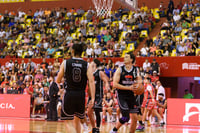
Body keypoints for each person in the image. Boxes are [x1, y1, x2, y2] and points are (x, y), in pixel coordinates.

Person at [56, 43, 95, 133]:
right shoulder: (87, 64)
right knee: (77, 120)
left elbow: (58, 79)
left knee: (68, 122)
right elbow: (91, 82)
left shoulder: (66, 62)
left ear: (72, 51)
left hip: (69, 93)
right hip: (81, 95)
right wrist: (92, 98)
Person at [110, 51, 143, 133]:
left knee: (135, 118)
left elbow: (139, 80)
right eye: (124, 57)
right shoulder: (120, 69)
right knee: (126, 117)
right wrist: (128, 87)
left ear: (131, 59)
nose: (124, 58)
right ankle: (114, 130)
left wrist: (139, 85)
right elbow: (114, 84)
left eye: (126, 57)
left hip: (131, 95)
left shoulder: (135, 69)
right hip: (121, 95)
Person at [87, 59, 110, 133]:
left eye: (92, 62)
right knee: (89, 111)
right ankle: (93, 127)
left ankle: (97, 128)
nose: (90, 63)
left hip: (98, 95)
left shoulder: (99, 72)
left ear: (95, 64)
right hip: (91, 95)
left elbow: (106, 80)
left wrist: (106, 86)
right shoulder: (89, 73)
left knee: (97, 110)